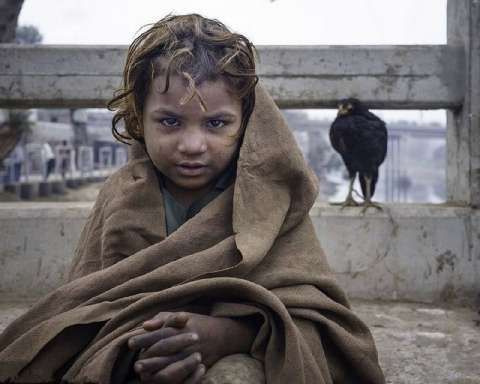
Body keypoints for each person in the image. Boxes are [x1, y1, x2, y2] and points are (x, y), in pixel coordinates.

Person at [0, 14, 385, 384]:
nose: (193, 146)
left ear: (246, 123)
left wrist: (227, 335)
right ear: (138, 119)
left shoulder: (270, 202)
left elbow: (315, 322)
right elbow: (90, 309)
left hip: (243, 353)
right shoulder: (122, 196)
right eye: (170, 121)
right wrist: (149, 346)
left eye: (216, 123)